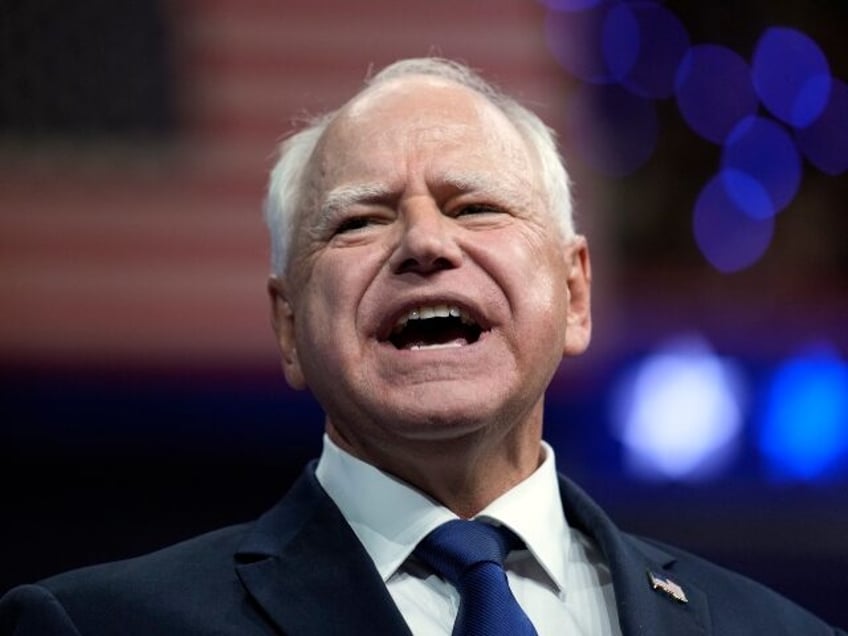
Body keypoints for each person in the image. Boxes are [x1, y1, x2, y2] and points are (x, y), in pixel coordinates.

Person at [0, 57, 843, 636]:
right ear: (289, 327)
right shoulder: (97, 625)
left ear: (576, 292)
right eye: (361, 220)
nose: (424, 244)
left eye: (474, 206)